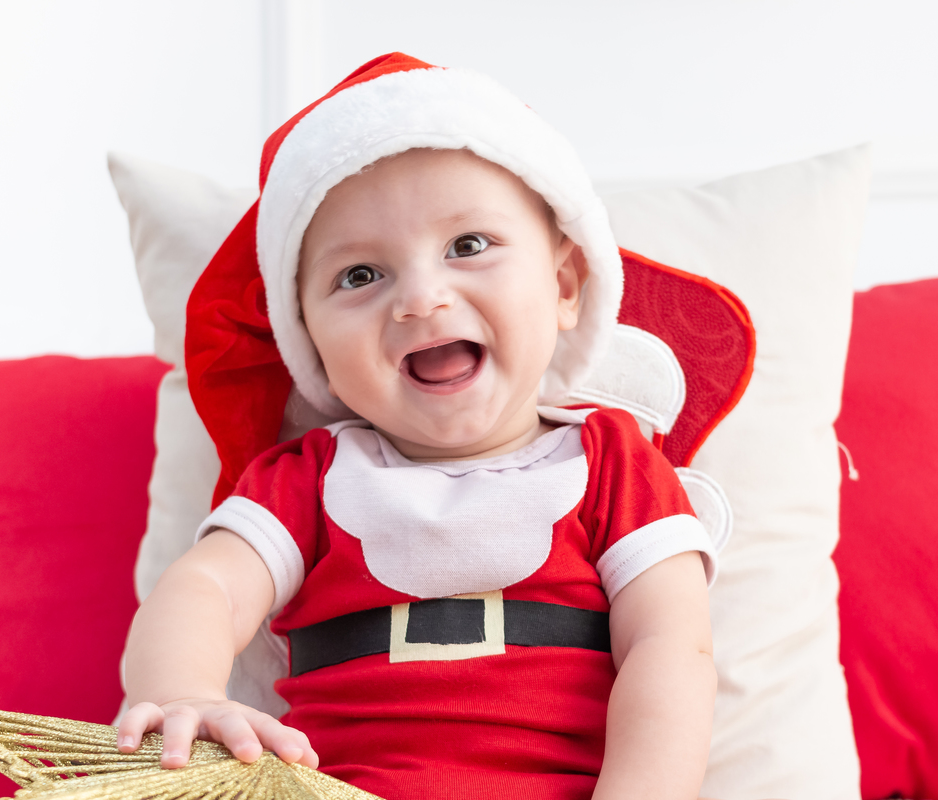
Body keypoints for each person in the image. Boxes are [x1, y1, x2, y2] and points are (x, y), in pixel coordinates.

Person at [117, 53, 723, 800]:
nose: (421, 299)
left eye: (468, 246)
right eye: (360, 275)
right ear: (309, 343)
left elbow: (672, 649)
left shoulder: (613, 466)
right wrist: (183, 692)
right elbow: (207, 587)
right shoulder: (307, 479)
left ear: (564, 286)